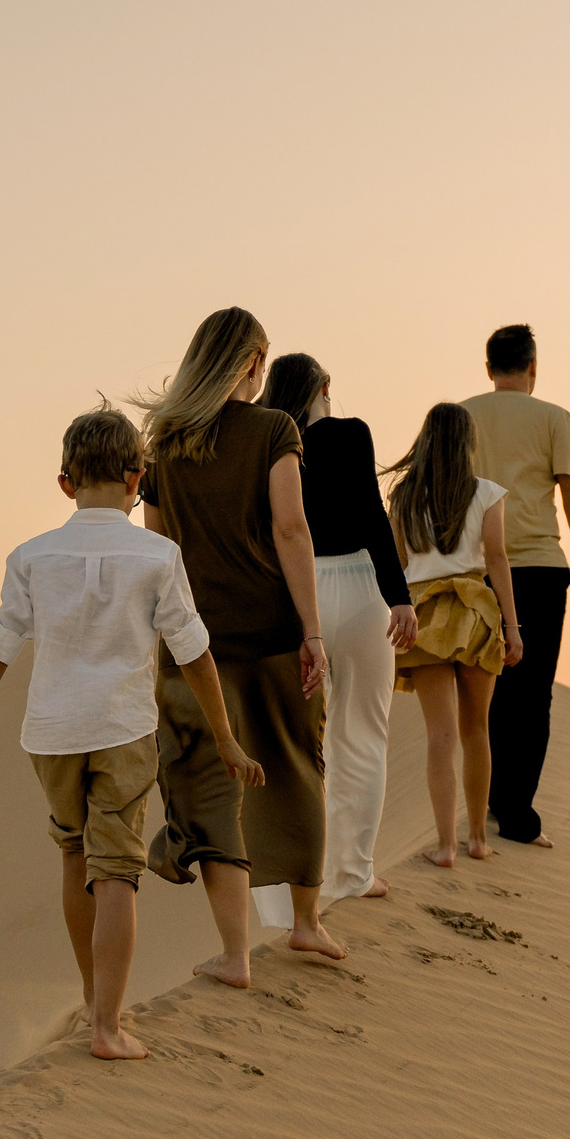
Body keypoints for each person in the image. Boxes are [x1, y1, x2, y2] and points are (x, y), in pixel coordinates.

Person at [0, 405, 260, 1061]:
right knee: (117, 873)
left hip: (50, 733)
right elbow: (194, 652)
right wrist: (224, 736)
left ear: (64, 483)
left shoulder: (31, 556)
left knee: (75, 857)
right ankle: (109, 1024)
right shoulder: (158, 555)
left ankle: (91, 999)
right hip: (123, 729)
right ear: (138, 477)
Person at [135, 308, 349, 982]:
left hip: (194, 642)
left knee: (206, 787)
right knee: (293, 768)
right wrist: (313, 631)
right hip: (274, 633)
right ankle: (307, 925)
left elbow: (160, 553)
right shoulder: (274, 429)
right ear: (251, 364)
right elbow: (292, 529)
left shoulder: (165, 443)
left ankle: (234, 952)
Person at [248, 353, 416, 928]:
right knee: (362, 733)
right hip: (362, 587)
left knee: (285, 742)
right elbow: (374, 516)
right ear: (325, 388)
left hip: (295, 591)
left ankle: (276, 902)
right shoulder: (351, 433)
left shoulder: (267, 440)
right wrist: (400, 596)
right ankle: (352, 874)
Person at [463, 323, 570, 848]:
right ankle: (515, 815)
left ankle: (485, 800)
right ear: (533, 368)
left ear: (489, 368)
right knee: (533, 693)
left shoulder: (462, 416)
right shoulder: (553, 418)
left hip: (474, 570)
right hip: (539, 568)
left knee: (484, 690)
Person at [387, 401, 524, 868]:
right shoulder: (487, 492)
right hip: (474, 613)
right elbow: (499, 558)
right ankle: (478, 839)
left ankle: (445, 845)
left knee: (439, 737)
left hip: (423, 616)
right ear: (467, 442)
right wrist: (512, 626)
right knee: (476, 730)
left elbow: (398, 565)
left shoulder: (403, 495)